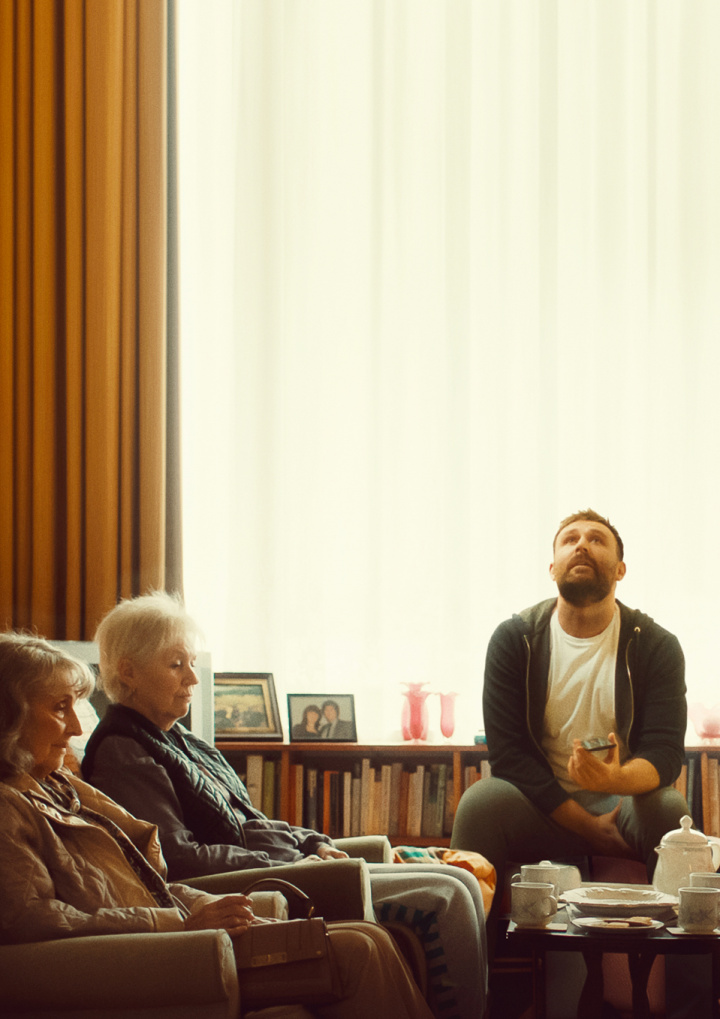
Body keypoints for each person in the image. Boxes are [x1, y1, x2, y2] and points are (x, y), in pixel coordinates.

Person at [82, 592, 487, 1019]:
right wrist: (290, 863)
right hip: (261, 883)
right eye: (176, 664)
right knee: (445, 898)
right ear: (128, 671)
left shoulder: (179, 739)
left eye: (192, 663)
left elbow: (251, 822)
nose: (193, 679)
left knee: (460, 879)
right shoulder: (122, 751)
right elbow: (178, 859)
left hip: (287, 866)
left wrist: (312, 842)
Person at [0, 631, 434, 1019]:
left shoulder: (60, 786)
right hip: (157, 956)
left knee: (367, 936)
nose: (77, 727)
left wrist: (210, 905)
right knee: (358, 949)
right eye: (60, 708)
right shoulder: (8, 806)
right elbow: (32, 920)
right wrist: (180, 924)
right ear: (8, 716)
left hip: (178, 933)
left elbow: (148, 880)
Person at [451, 509, 703, 1014]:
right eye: (569, 539)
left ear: (621, 568)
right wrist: (588, 828)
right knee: (479, 804)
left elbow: (664, 754)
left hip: (625, 801)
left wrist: (614, 778)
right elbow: (509, 755)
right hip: (540, 803)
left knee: (670, 812)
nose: (582, 545)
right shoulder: (515, 639)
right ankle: (466, 995)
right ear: (552, 567)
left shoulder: (655, 645)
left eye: (597, 539)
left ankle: (691, 1003)